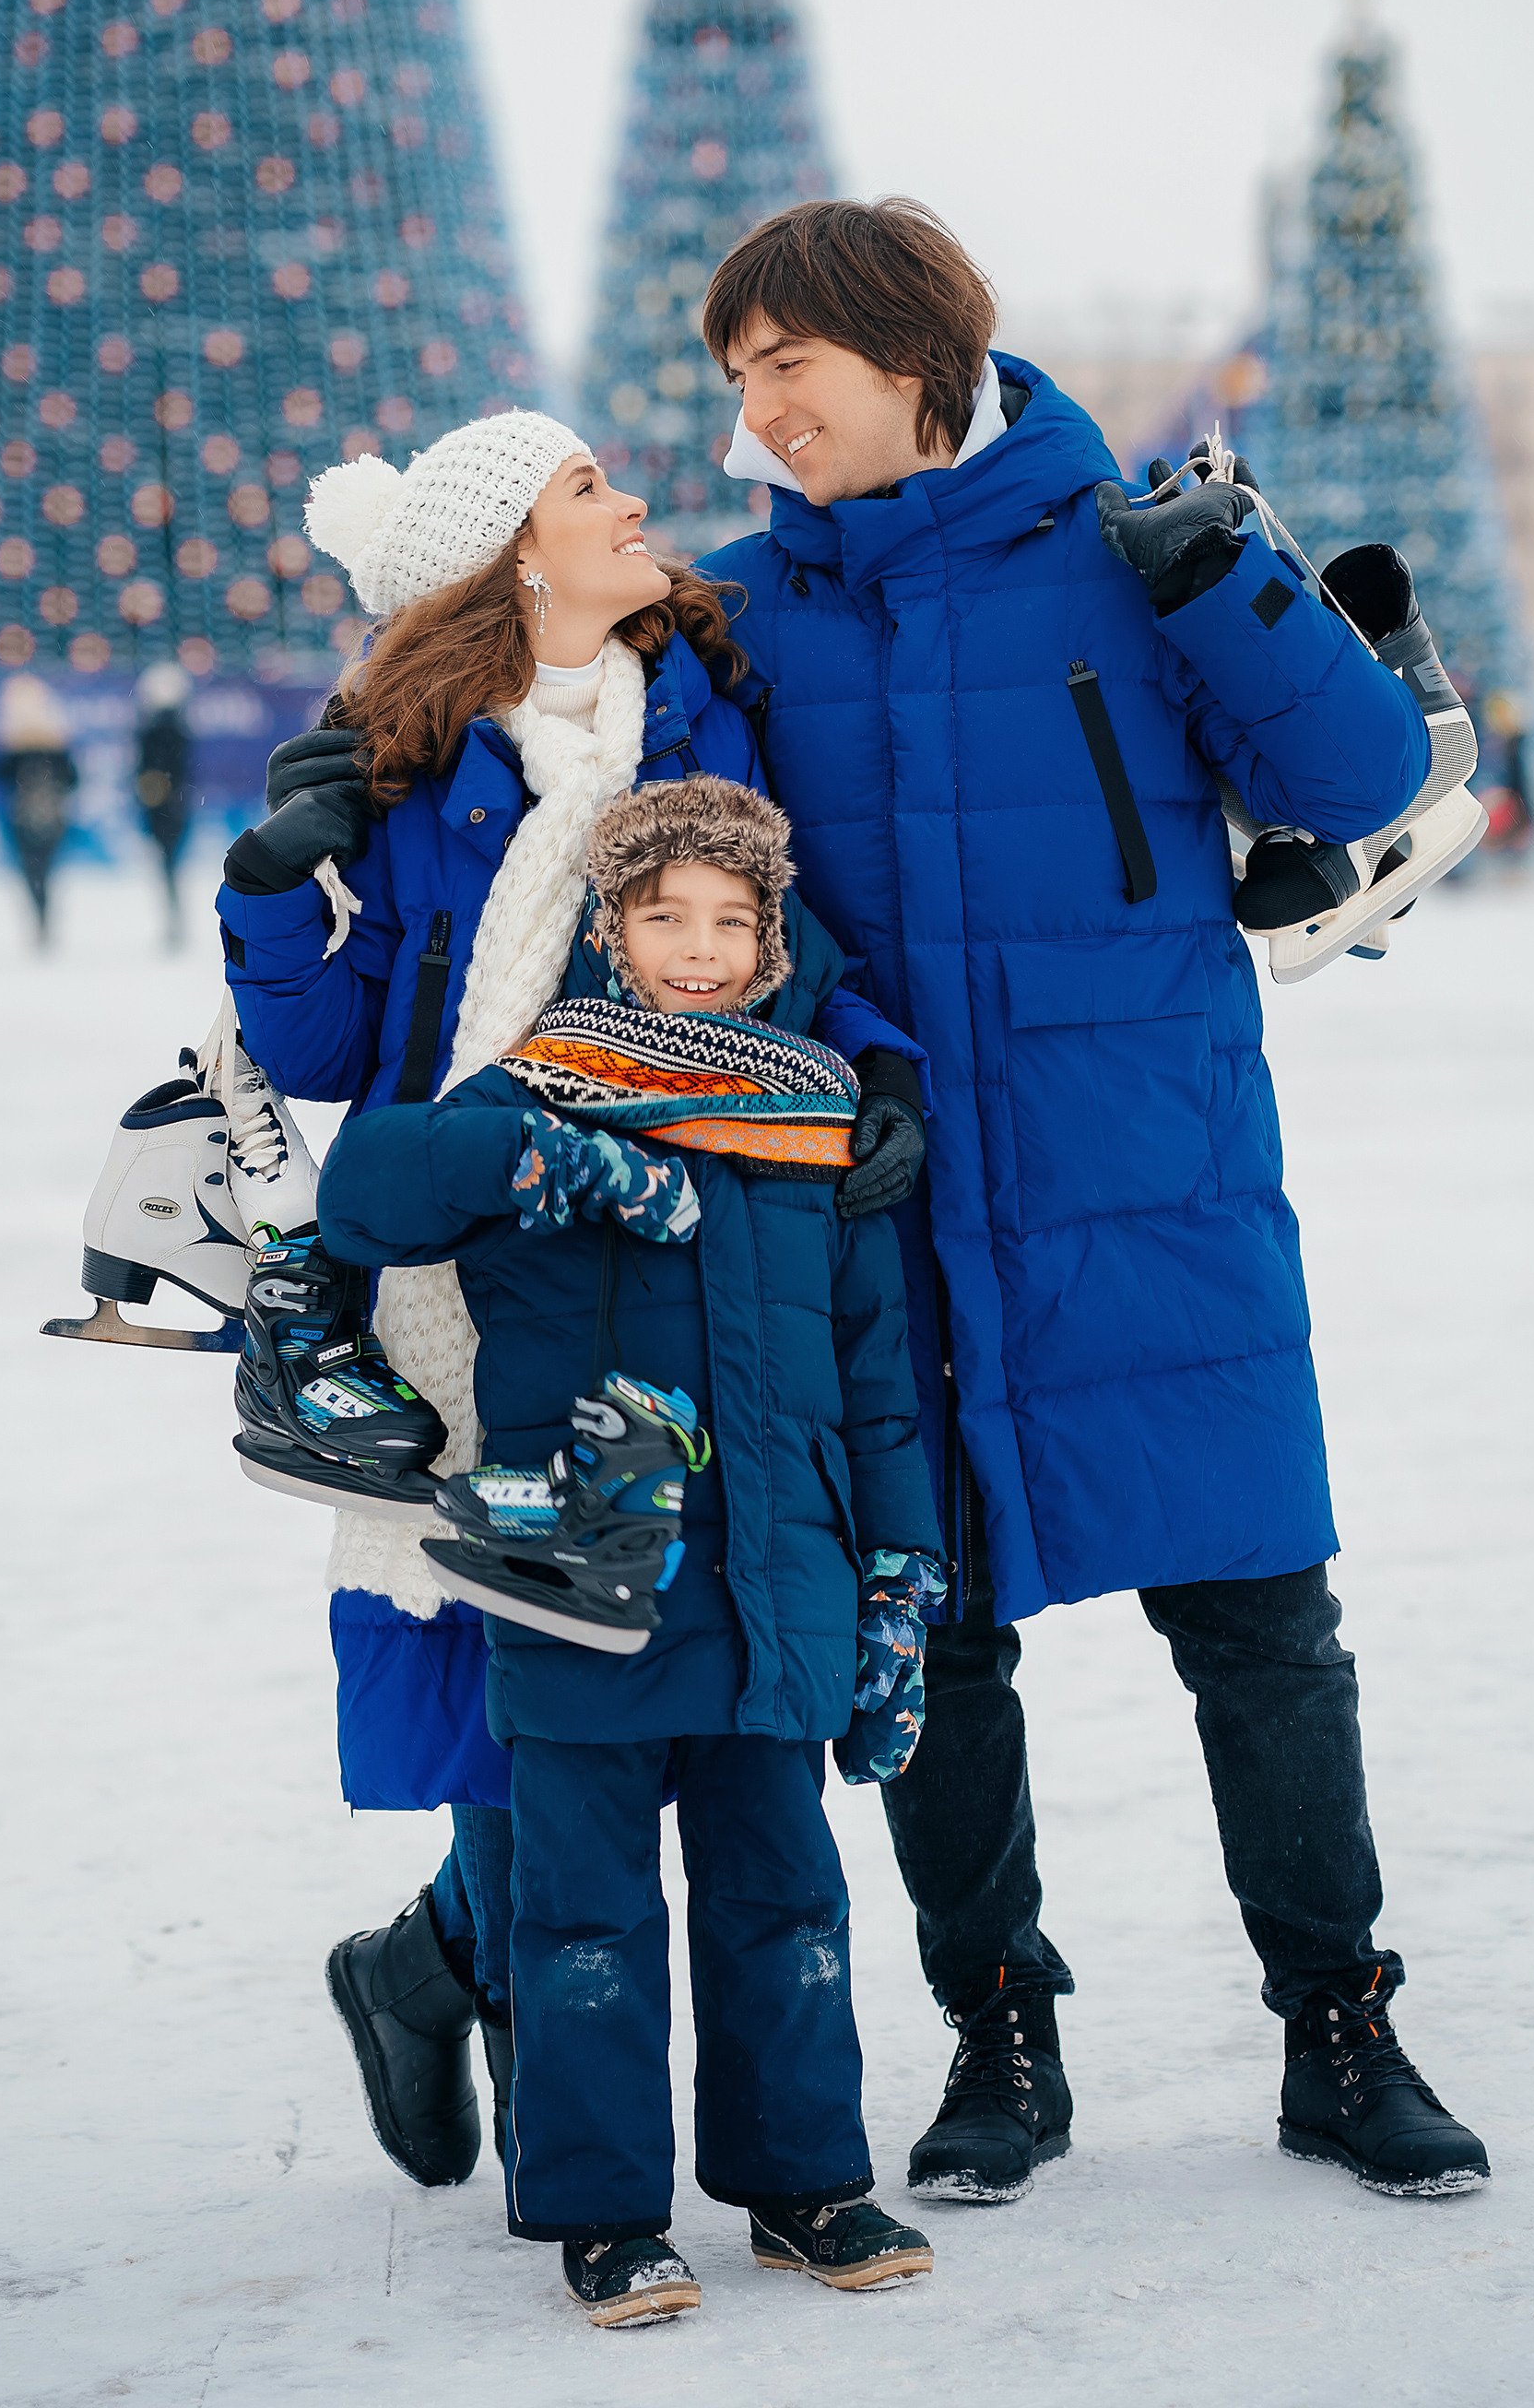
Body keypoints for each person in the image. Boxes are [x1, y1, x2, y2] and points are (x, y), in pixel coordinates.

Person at [695, 196, 1491, 2202]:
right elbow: (698, 893)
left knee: (1259, 1618)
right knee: (935, 1637)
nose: (759, 411)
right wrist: (841, 1049)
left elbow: (1359, 771)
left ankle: (1340, 2026)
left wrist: (1232, 578)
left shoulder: (1138, 546)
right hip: (889, 1198)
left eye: (787, 363)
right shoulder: (740, 615)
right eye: (735, 380)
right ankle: (1000, 2037)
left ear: (912, 351)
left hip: (1147, 1174)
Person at [214, 411, 929, 2193]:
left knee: (649, 1636)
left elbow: (778, 928)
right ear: (515, 557)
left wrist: (870, 1066)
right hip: (466, 1247)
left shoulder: (696, 707)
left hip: (685, 1217)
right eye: (585, 487)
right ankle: (511, 2017)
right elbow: (318, 1050)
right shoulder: (408, 763)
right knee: (512, 1640)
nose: (630, 502)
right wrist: (266, 890)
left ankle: (446, 1965)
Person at [314, 775, 941, 2325]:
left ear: (771, 937)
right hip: (586, 1581)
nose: (702, 947)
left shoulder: (808, 1113)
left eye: (733, 920)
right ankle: (603, 2213)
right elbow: (362, 1193)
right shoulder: (540, 1086)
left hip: (773, 1583)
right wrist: (532, 1162)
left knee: (783, 1902)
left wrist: (897, 1578)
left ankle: (802, 2184)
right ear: (610, 931)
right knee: (580, 1916)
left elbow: (871, 1376)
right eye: (667, 915)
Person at [0, 674, 77, 945]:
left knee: (33, 872)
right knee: (43, 872)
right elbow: (73, 779)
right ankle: (43, 917)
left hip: (24, 819)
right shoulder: (55, 744)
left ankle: (41, 917)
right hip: (49, 818)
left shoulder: (15, 746)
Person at [133, 663, 194, 946]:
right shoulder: (179, 727)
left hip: (162, 806)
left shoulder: (153, 729)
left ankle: (174, 919)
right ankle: (174, 918)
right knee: (170, 864)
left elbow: (147, 771)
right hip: (175, 803)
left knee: (167, 864)